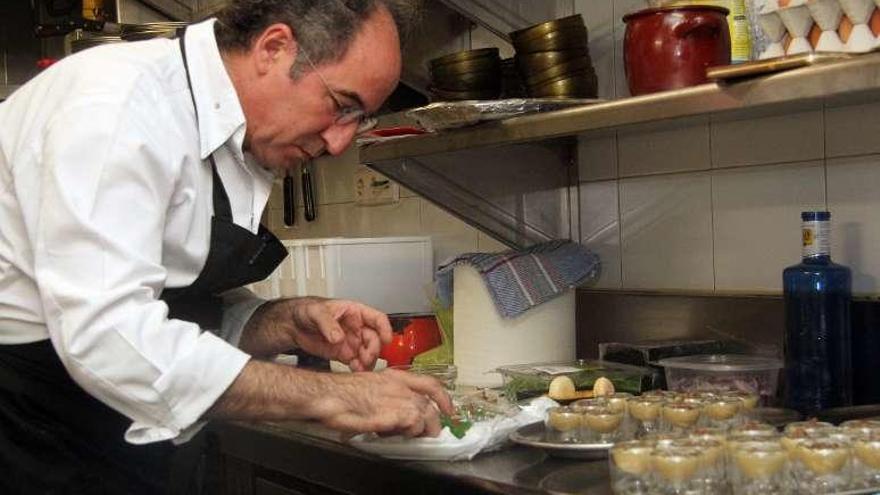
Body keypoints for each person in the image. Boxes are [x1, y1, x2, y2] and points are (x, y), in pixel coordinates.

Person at [0, 0, 452, 493]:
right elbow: (109, 336)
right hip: (28, 427)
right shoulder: (117, 107)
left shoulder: (226, 132)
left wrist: (277, 322)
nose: (341, 142)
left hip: (110, 430)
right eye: (341, 106)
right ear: (273, 48)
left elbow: (168, 302)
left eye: (358, 119)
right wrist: (337, 396)